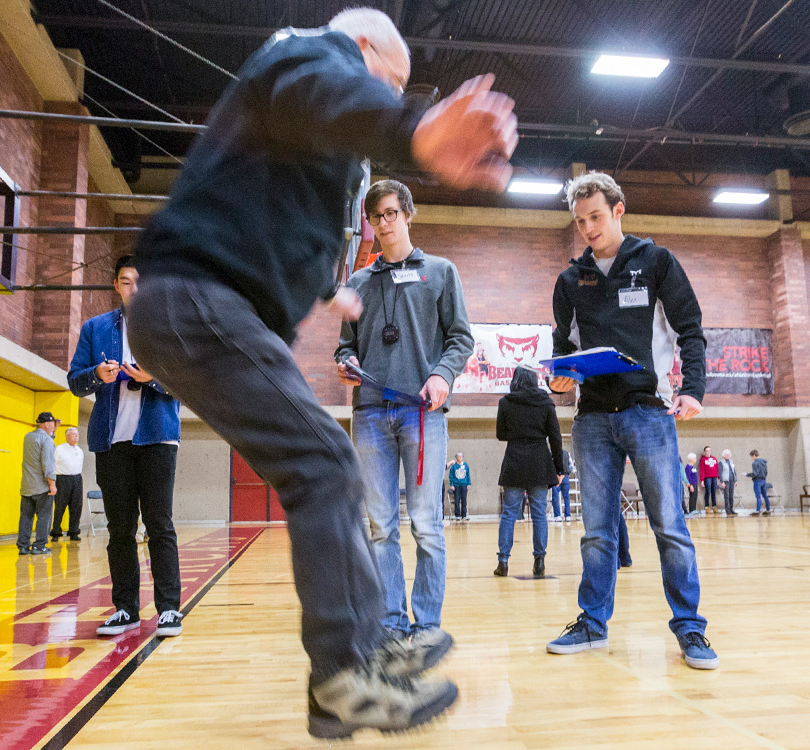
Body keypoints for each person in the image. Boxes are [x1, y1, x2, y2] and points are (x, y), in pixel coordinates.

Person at [126, 8, 518, 737]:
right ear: (363, 49)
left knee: (324, 470)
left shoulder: (299, 132)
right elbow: (323, 91)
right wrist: (414, 130)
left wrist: (320, 288)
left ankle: (344, 678)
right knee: (327, 466)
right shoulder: (307, 55)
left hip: (208, 306)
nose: (378, 92)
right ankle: (345, 671)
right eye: (388, 80)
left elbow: (267, 206)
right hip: (196, 300)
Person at [543, 171, 718, 670]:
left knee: (670, 526)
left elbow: (691, 330)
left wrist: (693, 390)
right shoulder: (570, 280)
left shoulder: (657, 262)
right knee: (597, 531)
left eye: (596, 217)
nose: (588, 229)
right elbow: (563, 347)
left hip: (649, 411)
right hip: (593, 418)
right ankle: (592, 623)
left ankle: (690, 629)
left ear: (619, 210)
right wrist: (561, 379)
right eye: (580, 221)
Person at [336, 178, 474, 646]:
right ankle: (392, 623)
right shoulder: (358, 282)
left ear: (408, 215)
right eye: (376, 217)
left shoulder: (440, 271)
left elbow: (461, 338)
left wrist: (442, 375)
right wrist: (346, 365)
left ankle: (428, 625)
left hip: (423, 415)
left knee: (427, 526)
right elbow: (344, 347)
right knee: (380, 528)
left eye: (392, 213)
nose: (384, 223)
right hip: (371, 414)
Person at [67, 255, 184, 640]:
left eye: (141, 281)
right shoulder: (95, 327)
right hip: (111, 440)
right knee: (120, 529)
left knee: (159, 525)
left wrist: (152, 378)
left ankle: (169, 609)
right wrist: (96, 375)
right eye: (126, 281)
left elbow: (186, 382)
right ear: (116, 285)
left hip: (158, 438)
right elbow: (74, 380)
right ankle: (126, 609)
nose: (134, 288)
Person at [493, 368, 564, 578]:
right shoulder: (546, 402)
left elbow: (500, 434)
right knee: (539, 513)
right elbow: (555, 437)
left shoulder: (506, 402)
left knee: (509, 513)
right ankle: (539, 560)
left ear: (515, 380)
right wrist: (560, 468)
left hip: (514, 459)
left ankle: (503, 561)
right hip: (539, 461)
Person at [18, 413, 59, 555]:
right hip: (42, 487)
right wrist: (52, 484)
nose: (54, 426)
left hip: (27, 485)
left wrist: (52, 433)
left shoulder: (28, 437)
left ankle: (23, 546)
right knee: (44, 517)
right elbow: (47, 464)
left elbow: (40, 446)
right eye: (53, 423)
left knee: (26, 517)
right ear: (47, 424)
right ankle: (39, 545)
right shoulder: (47, 440)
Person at [51, 426, 85, 541]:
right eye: (74, 434)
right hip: (62, 479)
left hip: (77, 479)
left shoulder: (79, 451)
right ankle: (56, 532)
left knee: (76, 506)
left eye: (77, 434)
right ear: (67, 436)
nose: (77, 436)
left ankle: (74, 532)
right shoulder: (59, 449)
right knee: (60, 506)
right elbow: (53, 465)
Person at [550, 448, 575, 521]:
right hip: (565, 476)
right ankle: (568, 516)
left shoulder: (551, 453)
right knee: (566, 497)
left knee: (555, 497)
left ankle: (557, 516)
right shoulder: (567, 453)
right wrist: (568, 472)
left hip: (556, 477)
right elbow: (571, 467)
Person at [447, 452, 471, 519]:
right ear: (456, 458)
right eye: (459, 457)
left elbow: (468, 474)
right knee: (457, 500)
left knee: (464, 500)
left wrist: (469, 483)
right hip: (456, 485)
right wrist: (451, 484)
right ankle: (457, 515)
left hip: (464, 484)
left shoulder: (465, 465)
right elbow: (451, 476)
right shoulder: (454, 466)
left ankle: (464, 515)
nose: (460, 458)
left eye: (461, 456)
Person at [747, 449, 770, 515]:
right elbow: (766, 472)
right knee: (765, 495)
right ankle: (768, 510)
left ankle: (757, 510)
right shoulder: (763, 462)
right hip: (763, 480)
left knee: (758, 496)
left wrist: (748, 474)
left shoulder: (755, 463)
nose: (751, 458)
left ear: (754, 455)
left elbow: (755, 474)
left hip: (757, 481)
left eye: (751, 456)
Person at [698, 446, 720, 514]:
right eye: (707, 451)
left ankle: (714, 506)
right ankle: (707, 506)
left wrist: (718, 477)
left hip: (714, 477)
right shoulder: (703, 459)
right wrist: (702, 480)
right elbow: (702, 470)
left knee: (714, 492)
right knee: (708, 491)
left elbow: (717, 468)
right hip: (707, 477)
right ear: (705, 452)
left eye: (709, 450)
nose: (708, 452)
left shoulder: (714, 458)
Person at [718, 449, 738, 516]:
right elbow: (720, 473)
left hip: (732, 480)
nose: (728, 456)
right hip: (726, 481)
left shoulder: (731, 461)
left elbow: (734, 471)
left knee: (731, 496)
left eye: (729, 454)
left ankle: (731, 509)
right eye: (726, 454)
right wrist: (722, 482)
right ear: (724, 455)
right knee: (726, 496)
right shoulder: (721, 462)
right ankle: (728, 509)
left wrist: (736, 480)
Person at [684, 453, 699, 517]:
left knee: (695, 496)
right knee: (692, 497)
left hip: (695, 483)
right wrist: (691, 485)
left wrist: (697, 485)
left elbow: (695, 476)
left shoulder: (693, 466)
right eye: (694, 458)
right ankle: (691, 510)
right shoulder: (688, 467)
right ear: (691, 459)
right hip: (691, 484)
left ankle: (694, 509)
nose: (695, 459)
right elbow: (688, 477)